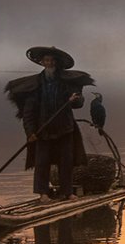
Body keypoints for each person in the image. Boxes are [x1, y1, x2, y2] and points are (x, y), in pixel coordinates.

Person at [5, 46, 90, 202]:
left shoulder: (66, 82)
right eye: (46, 60)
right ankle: (43, 193)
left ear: (56, 63)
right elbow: (28, 112)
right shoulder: (35, 85)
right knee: (42, 161)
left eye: (51, 60)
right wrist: (30, 133)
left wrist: (75, 99)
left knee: (66, 161)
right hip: (43, 129)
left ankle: (67, 192)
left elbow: (79, 103)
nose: (49, 63)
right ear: (42, 63)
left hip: (65, 127)